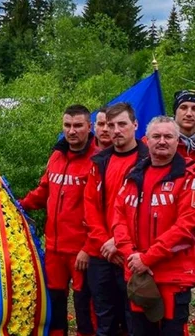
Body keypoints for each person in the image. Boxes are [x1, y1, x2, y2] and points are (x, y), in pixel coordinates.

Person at [112, 116, 195, 335]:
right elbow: (118, 219)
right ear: (146, 140)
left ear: (178, 141)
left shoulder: (188, 177)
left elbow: (187, 227)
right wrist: (132, 257)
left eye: (168, 136)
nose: (162, 141)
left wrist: (147, 258)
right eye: (156, 136)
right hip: (138, 276)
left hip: (172, 277)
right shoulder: (132, 176)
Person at [20, 104, 97, 336]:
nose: (72, 131)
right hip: (53, 247)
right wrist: (14, 205)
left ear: (89, 127)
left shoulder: (98, 159)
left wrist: (88, 247)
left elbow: (102, 210)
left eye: (78, 126)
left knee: (85, 307)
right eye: (67, 125)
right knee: (55, 304)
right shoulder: (56, 155)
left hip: (81, 251)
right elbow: (43, 191)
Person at [84, 102, 148, 336]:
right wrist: (105, 242)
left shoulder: (149, 161)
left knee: (135, 318)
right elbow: (90, 207)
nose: (117, 130)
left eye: (122, 124)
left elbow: (147, 211)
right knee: (104, 318)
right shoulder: (99, 162)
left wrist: (119, 242)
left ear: (135, 125)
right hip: (102, 252)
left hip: (132, 253)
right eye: (111, 125)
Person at [172, 90, 195, 159]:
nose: (189, 114)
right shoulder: (156, 140)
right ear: (175, 113)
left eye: (194, 109)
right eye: (183, 108)